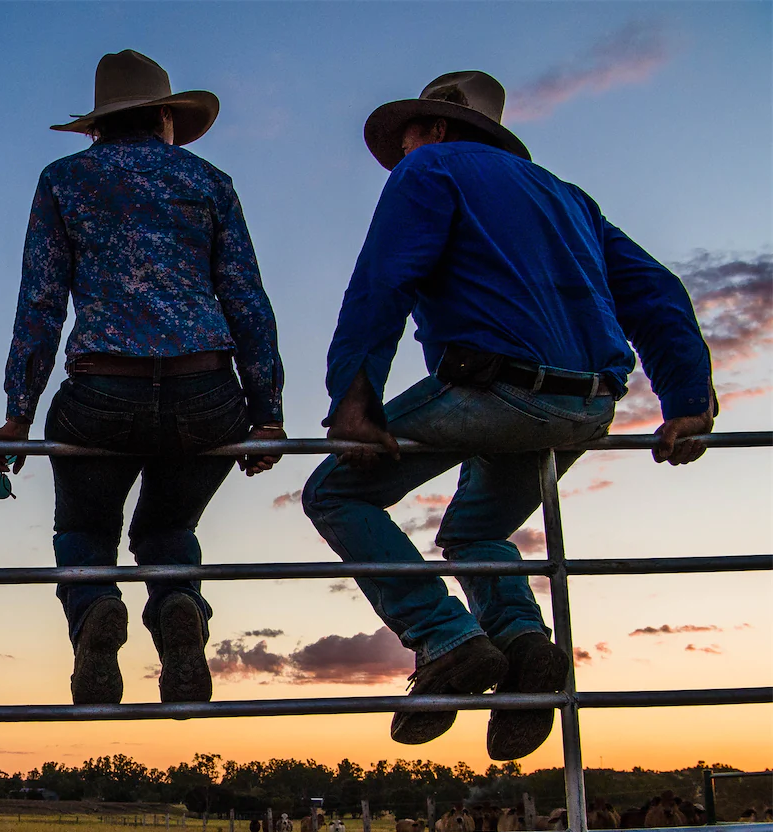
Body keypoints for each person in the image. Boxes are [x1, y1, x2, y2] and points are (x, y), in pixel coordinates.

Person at [303, 71, 717, 760]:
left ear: (435, 128)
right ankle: (524, 648)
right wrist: (688, 402)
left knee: (336, 491)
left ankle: (446, 639)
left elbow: (385, 279)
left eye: (405, 134)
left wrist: (354, 396)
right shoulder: (569, 198)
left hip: (495, 388)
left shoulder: (430, 167)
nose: (399, 151)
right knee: (476, 532)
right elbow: (658, 293)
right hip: (587, 405)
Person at [0, 50, 284, 706]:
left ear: (97, 127)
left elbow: (41, 301)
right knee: (165, 527)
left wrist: (18, 411)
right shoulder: (210, 182)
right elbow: (246, 298)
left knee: (85, 531)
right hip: (207, 392)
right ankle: (178, 601)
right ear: (168, 117)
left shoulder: (65, 181)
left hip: (101, 392)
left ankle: (94, 607)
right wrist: (267, 413)